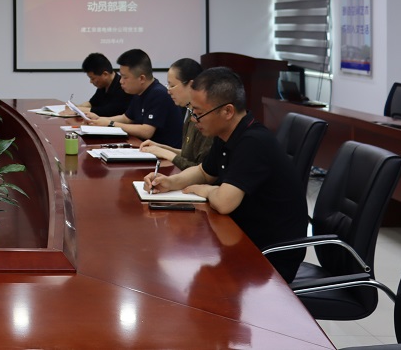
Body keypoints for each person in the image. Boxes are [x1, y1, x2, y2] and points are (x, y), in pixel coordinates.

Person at [143, 67, 307, 281]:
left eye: (199, 113)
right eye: (192, 111)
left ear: (227, 111)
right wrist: (170, 182)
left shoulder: (253, 142)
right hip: (242, 237)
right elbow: (204, 171)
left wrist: (206, 190)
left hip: (268, 258)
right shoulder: (226, 134)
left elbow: (224, 202)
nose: (194, 119)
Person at [82, 49, 183, 148]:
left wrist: (110, 123)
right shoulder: (139, 92)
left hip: (163, 154)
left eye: (125, 77)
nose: (121, 81)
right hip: (144, 147)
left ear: (141, 78)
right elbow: (126, 118)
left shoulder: (158, 93)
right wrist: (99, 120)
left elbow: (146, 131)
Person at [140, 58, 214, 170]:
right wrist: (160, 147)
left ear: (191, 85)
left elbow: (202, 170)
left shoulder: (205, 118)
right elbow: (187, 155)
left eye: (172, 85)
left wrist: (165, 153)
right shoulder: (189, 112)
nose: (168, 91)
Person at [77, 52, 131, 117]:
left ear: (105, 74)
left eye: (92, 78)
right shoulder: (103, 86)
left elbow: (108, 111)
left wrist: (80, 110)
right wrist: (76, 107)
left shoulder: (123, 87)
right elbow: (92, 103)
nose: (91, 82)